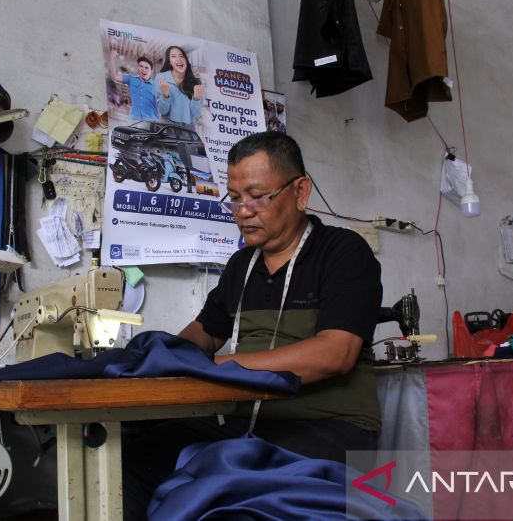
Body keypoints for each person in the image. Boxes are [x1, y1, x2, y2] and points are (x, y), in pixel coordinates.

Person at [123, 131, 383, 520]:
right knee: (135, 454)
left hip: (331, 428)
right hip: (248, 426)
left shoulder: (343, 253)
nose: (243, 210)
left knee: (236, 495)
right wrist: (162, 359)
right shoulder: (241, 267)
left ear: (300, 191)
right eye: (235, 197)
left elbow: (336, 353)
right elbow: (205, 333)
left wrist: (225, 368)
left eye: (258, 196)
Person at [154, 45, 204, 125]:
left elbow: (195, 115)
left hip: (189, 128)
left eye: (182, 56)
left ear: (186, 60)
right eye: (173, 56)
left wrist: (196, 98)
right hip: (167, 126)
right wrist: (165, 95)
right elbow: (162, 111)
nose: (179, 59)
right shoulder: (161, 77)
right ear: (169, 61)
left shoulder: (196, 82)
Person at [109, 52, 159, 120]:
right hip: (134, 121)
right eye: (141, 66)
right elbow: (114, 77)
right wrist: (111, 58)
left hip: (151, 122)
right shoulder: (131, 79)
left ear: (151, 71)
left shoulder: (157, 85)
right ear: (138, 67)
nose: (143, 69)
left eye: (146, 67)